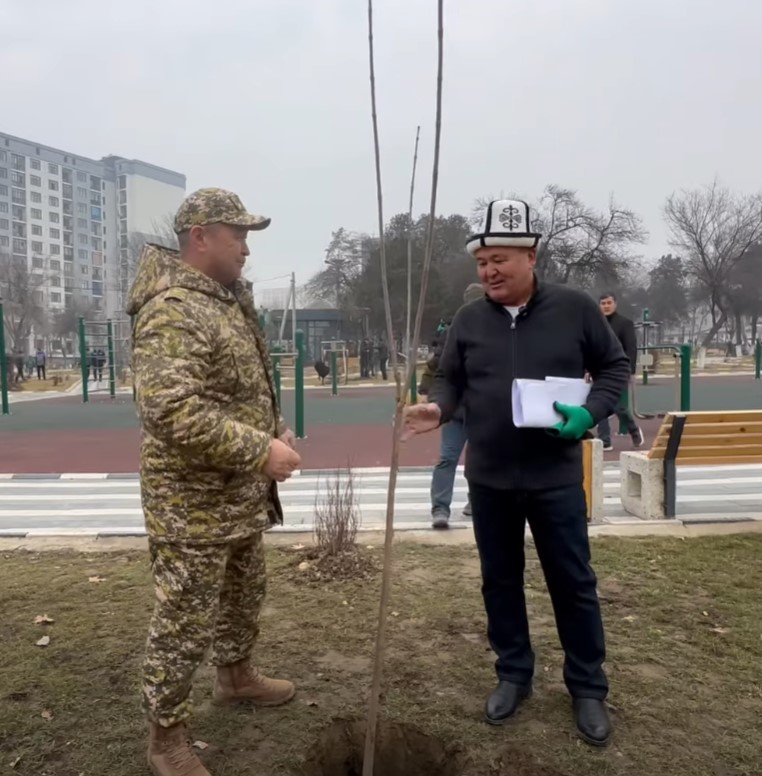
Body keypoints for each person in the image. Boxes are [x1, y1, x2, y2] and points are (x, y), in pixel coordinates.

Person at [402, 199, 630, 746]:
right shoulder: (468, 318)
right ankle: (513, 674)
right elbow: (449, 378)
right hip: (490, 479)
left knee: (573, 582)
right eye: (482, 263)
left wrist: (591, 412)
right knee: (499, 582)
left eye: (500, 259)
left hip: (554, 477)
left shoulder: (575, 309)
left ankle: (587, 686)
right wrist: (438, 407)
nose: (490, 272)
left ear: (531, 256)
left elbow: (614, 366)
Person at [128, 188, 302, 776]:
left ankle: (235, 677)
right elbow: (172, 410)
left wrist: (269, 424)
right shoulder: (174, 305)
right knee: (183, 621)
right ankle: (167, 737)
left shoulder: (222, 301)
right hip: (191, 504)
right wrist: (260, 449)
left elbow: (230, 385)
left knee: (243, 593)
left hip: (237, 494)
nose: (248, 249)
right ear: (200, 235)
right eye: (240, 234)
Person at [419, 283, 484, 528]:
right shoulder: (453, 333)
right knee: (447, 458)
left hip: (484, 410)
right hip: (456, 411)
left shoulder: (496, 329)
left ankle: (475, 502)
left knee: (481, 460)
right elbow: (435, 366)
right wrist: (427, 392)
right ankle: (440, 508)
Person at [597, 293, 643, 451]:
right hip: (599, 370)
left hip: (619, 370)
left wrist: (631, 371)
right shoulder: (596, 324)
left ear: (615, 304)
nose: (606, 306)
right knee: (600, 404)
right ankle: (605, 440)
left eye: (609, 303)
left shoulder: (625, 323)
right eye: (603, 303)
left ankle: (634, 430)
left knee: (617, 406)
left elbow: (631, 348)